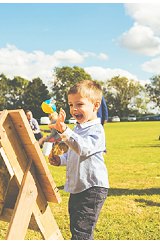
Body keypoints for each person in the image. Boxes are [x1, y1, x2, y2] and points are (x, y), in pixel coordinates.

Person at [48, 80, 109, 240]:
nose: (74, 109)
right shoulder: (78, 129)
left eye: (79, 104)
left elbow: (84, 148)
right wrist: (60, 160)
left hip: (92, 188)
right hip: (78, 187)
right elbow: (73, 154)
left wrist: (65, 131)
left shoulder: (97, 130)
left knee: (81, 232)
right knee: (77, 227)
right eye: (70, 105)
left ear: (95, 106)